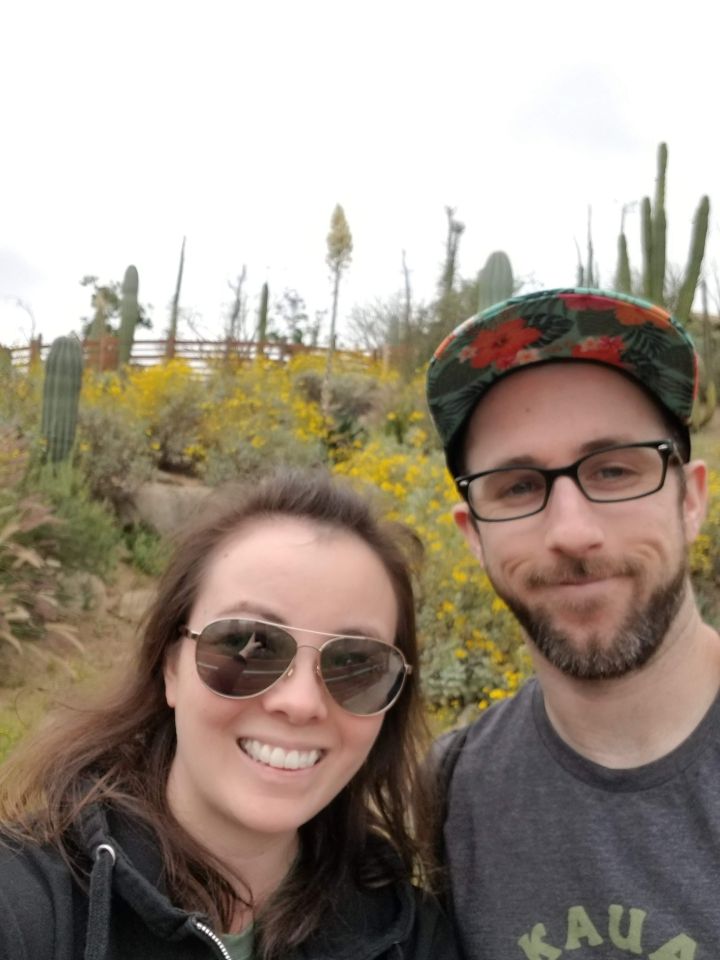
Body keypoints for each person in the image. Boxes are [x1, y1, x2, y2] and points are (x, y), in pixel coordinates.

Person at [0, 468, 458, 960]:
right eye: (246, 644)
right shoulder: (26, 906)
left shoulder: (409, 937)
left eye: (355, 663)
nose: (300, 703)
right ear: (170, 666)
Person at [426, 288, 718, 958]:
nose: (571, 532)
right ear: (474, 536)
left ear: (690, 500)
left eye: (614, 470)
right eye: (518, 486)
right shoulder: (451, 794)